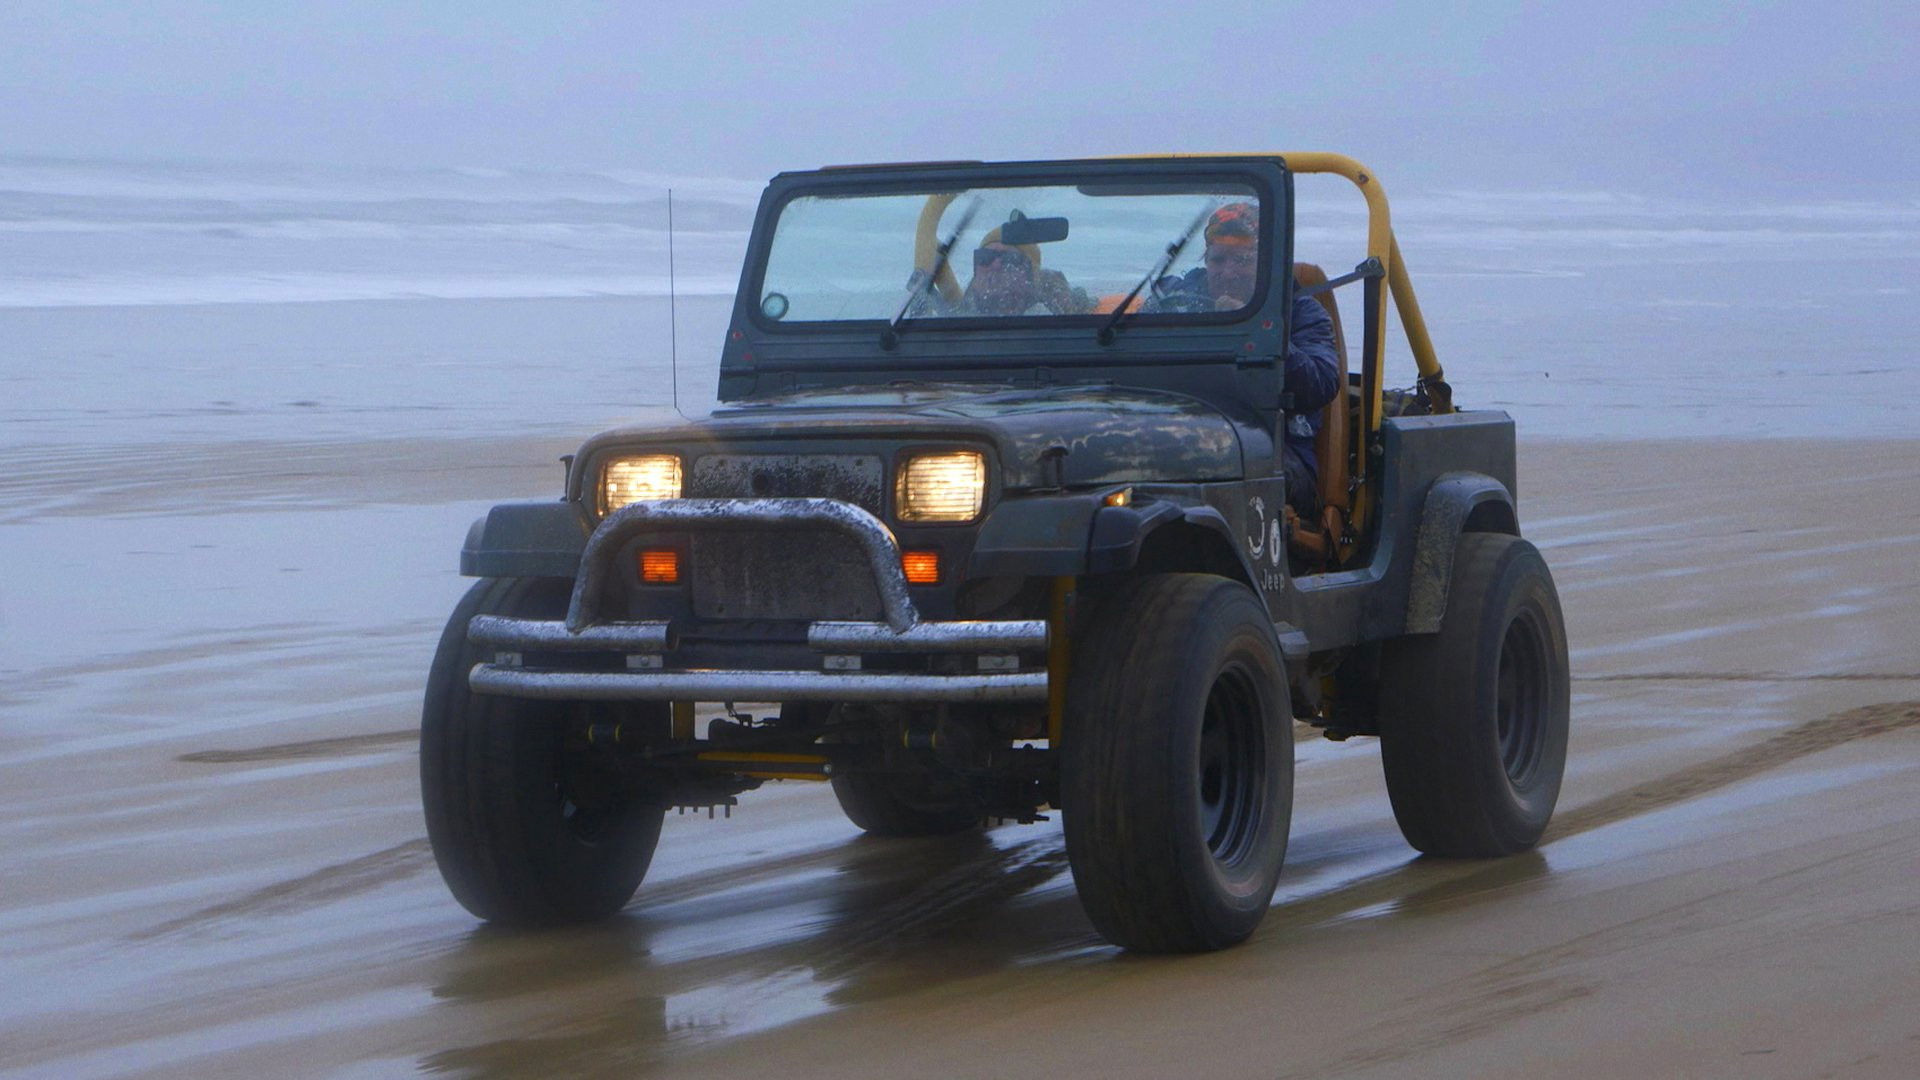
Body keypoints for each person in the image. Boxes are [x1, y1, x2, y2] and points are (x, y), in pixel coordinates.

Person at [1161, 201, 1341, 519]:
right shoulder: (1175, 302)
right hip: (1176, 434)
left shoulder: (1302, 312)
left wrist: (1259, 330)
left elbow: (1322, 383)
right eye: (1218, 260)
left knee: (1212, 466)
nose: (1228, 272)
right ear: (1206, 260)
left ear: (1267, 264)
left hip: (1277, 449)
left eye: (1242, 261)